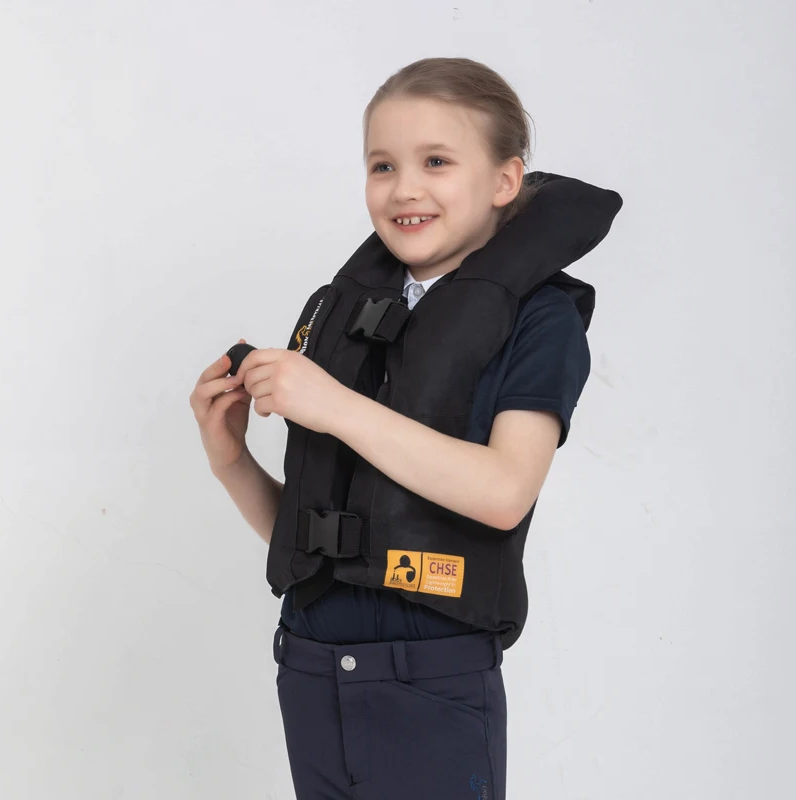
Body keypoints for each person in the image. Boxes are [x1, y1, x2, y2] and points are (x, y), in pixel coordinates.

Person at [190, 57, 614, 800]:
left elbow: (505, 492)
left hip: (433, 675)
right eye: (382, 165)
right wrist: (230, 458)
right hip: (310, 663)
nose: (405, 188)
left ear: (505, 180)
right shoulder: (344, 313)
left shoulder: (538, 319)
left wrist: (332, 405)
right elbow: (319, 542)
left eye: (436, 162)